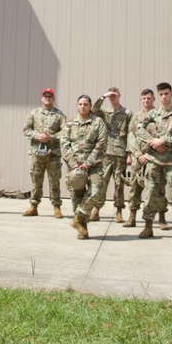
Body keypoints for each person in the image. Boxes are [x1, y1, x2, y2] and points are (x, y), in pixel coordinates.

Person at [135, 82, 172, 239]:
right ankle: (148, 226)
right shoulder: (152, 114)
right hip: (154, 159)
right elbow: (139, 129)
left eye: (166, 93)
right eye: (161, 94)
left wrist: (164, 141)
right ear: (158, 96)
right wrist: (153, 141)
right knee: (151, 191)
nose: (164, 97)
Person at [60, 95, 107, 239]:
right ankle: (82, 228)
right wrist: (74, 164)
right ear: (76, 106)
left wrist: (88, 162)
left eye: (86, 104)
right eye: (80, 104)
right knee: (77, 196)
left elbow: (101, 144)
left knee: (96, 192)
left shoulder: (98, 122)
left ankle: (78, 219)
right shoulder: (69, 123)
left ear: (90, 106)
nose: (83, 106)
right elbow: (64, 143)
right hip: (74, 167)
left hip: (94, 165)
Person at [22, 88, 67, 218]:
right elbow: (26, 129)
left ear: (53, 99)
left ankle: (57, 207)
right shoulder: (33, 113)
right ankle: (34, 206)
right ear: (42, 98)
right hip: (37, 153)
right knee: (36, 179)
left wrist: (50, 137)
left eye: (50, 96)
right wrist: (37, 135)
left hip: (53, 153)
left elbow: (65, 132)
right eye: (45, 96)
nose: (47, 98)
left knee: (54, 180)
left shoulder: (59, 115)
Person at [90, 88, 131, 222]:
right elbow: (94, 110)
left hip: (120, 153)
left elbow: (131, 134)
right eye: (110, 96)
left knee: (119, 183)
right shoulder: (105, 112)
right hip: (106, 153)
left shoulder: (127, 113)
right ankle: (96, 209)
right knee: (102, 183)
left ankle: (119, 211)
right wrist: (102, 96)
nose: (112, 98)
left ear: (120, 96)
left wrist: (129, 154)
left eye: (115, 95)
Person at [122, 88, 155, 228]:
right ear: (140, 100)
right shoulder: (136, 117)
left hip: (154, 158)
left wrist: (148, 155)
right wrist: (136, 155)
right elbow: (131, 136)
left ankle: (160, 217)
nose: (146, 100)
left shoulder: (158, 115)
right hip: (138, 158)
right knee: (135, 187)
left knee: (154, 188)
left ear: (153, 99)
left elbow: (160, 138)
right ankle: (132, 216)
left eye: (148, 98)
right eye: (143, 98)